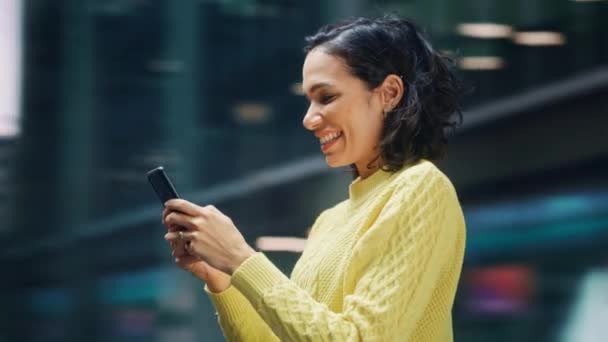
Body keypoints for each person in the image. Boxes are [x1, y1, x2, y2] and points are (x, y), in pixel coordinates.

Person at [162, 15, 466, 341]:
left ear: (389, 93)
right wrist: (220, 274)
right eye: (308, 100)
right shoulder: (328, 222)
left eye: (327, 97)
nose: (308, 119)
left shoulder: (421, 188)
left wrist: (239, 256)